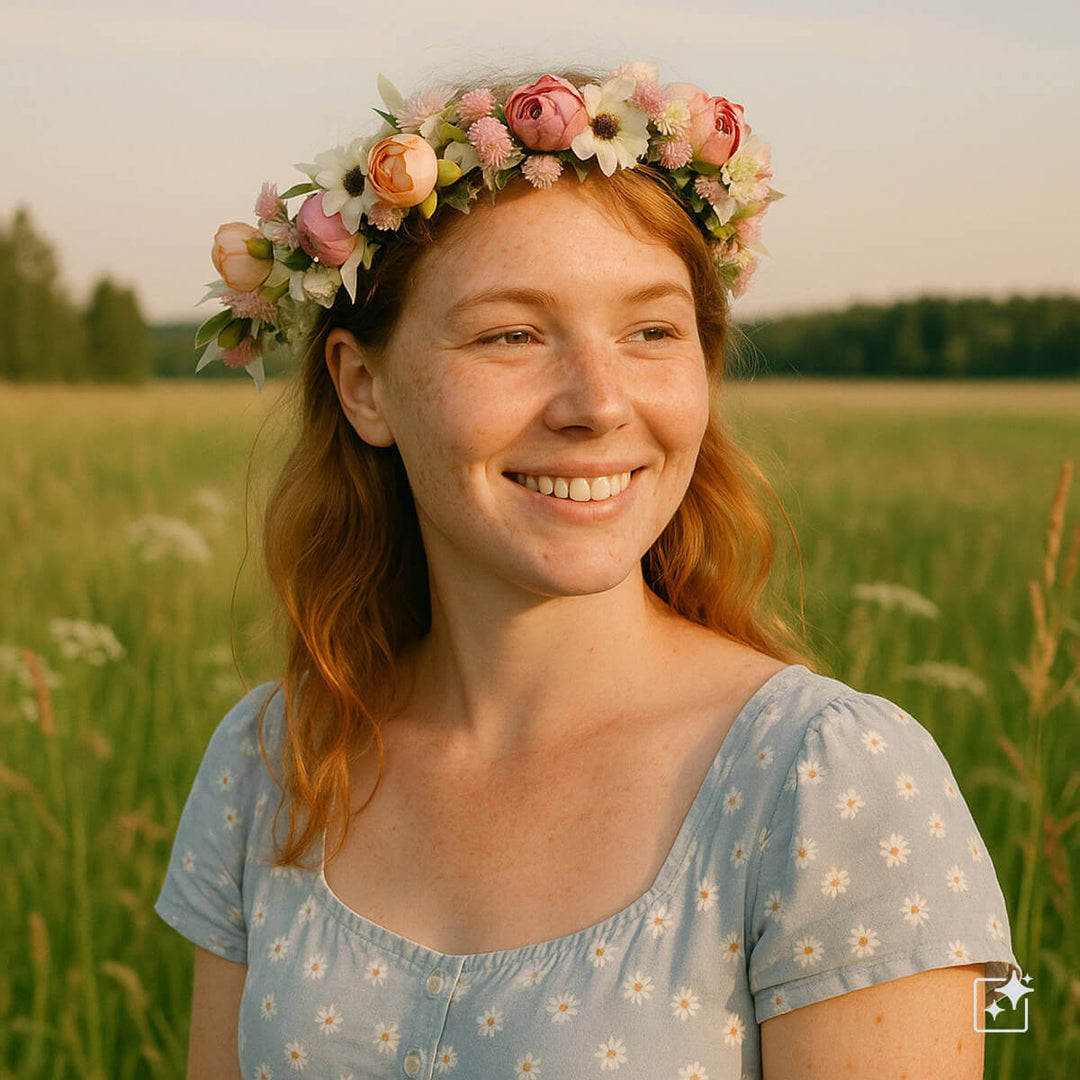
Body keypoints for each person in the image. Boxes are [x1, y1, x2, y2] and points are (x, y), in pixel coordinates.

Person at [155, 62, 1021, 1079]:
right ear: (363, 386)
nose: (597, 403)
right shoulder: (275, 764)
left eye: (652, 332)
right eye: (513, 334)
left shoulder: (827, 784)